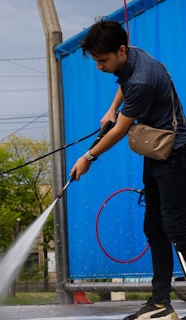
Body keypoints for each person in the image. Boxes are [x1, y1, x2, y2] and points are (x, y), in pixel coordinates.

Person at [70, 20, 186, 320]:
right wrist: (112, 108)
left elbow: (120, 131)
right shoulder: (131, 57)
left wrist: (88, 157)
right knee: (154, 228)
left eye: (102, 61)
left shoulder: (143, 80)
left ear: (120, 50)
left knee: (179, 231)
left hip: (174, 154)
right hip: (156, 152)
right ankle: (160, 304)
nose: (99, 67)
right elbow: (125, 84)